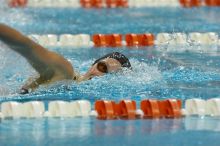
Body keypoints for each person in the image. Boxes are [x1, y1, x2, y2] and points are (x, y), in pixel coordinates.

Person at [0, 24, 131, 94]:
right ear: (93, 65)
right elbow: (25, 45)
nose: (101, 76)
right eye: (102, 67)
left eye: (110, 75)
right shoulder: (63, 70)